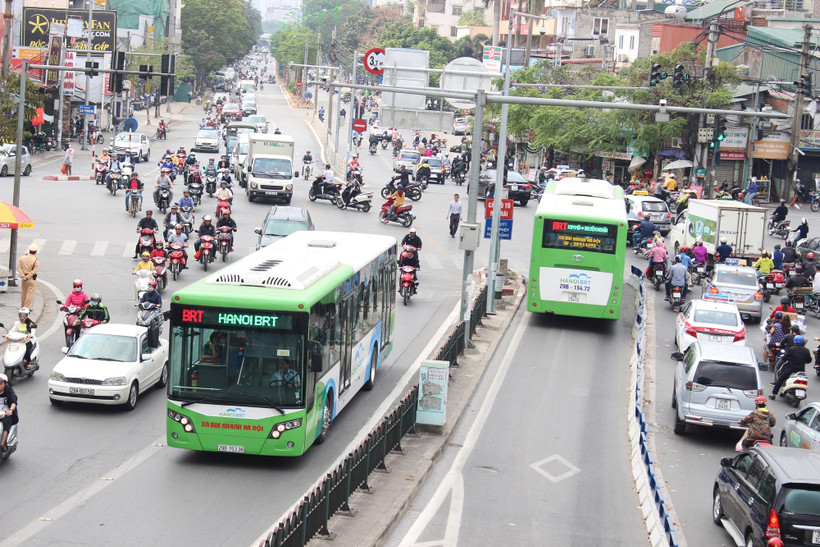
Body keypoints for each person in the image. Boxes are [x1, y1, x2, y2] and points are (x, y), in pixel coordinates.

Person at [16, 244, 39, 309]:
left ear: (29, 250)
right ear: (35, 252)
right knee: (30, 293)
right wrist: (28, 276)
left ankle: (22, 305)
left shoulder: (22, 258)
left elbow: (19, 267)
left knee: (24, 293)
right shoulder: (35, 260)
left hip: (24, 279)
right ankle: (27, 307)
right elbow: (34, 270)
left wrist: (22, 275)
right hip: (31, 278)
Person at [0, 374, 18, 452]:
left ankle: (2, 443)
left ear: (5, 384)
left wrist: (10, 410)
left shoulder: (9, 391)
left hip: (5, 413)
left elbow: (13, 401)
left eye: (1, 384)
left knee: (6, 422)